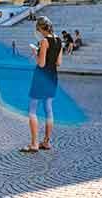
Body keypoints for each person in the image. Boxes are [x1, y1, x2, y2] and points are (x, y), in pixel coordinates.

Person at [21, 16, 63, 153]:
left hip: (41, 77)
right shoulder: (58, 40)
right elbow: (58, 63)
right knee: (48, 109)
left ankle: (34, 144)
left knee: (32, 110)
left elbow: (41, 63)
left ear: (39, 28)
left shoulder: (44, 41)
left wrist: (35, 51)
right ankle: (46, 141)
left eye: (37, 29)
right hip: (52, 76)